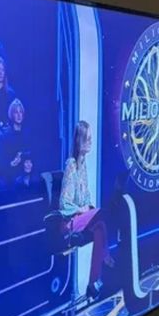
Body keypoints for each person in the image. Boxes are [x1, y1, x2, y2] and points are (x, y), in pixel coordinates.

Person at [59, 120, 112, 299]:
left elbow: (86, 198)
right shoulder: (71, 165)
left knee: (100, 229)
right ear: (78, 140)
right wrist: (82, 210)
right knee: (102, 215)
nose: (90, 141)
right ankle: (107, 257)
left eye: (91, 138)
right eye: (87, 138)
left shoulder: (83, 167)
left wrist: (88, 207)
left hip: (81, 217)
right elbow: (64, 204)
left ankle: (92, 283)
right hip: (69, 222)